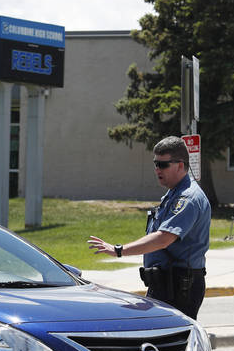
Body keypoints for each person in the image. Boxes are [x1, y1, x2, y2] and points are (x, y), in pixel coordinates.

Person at [87, 136, 211, 319]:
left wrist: (119, 250)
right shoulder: (174, 194)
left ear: (180, 165)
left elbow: (163, 238)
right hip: (166, 282)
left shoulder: (188, 198)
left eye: (163, 165)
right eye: (155, 163)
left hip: (180, 285)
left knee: (172, 339)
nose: (157, 169)